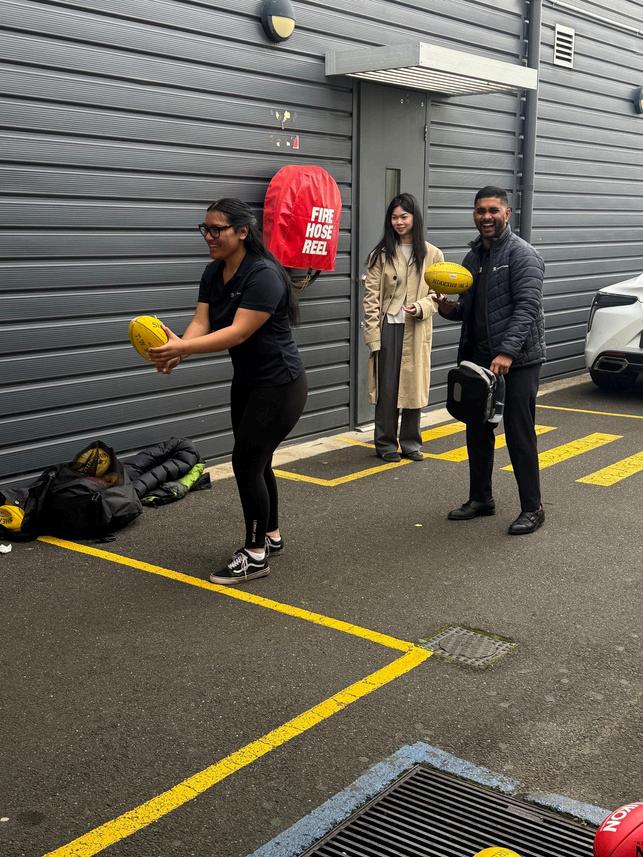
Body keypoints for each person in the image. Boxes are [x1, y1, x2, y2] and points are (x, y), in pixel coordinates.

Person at [149, 198, 307, 583]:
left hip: (280, 384)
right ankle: (270, 535)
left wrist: (183, 347)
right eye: (204, 228)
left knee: (246, 463)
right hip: (248, 382)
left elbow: (238, 332)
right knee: (258, 461)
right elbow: (202, 322)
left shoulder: (263, 275)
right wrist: (179, 349)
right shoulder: (213, 272)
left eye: (216, 229)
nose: (208, 236)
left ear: (242, 231)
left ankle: (255, 555)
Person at [437, 185, 546, 535]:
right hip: (480, 359)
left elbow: (527, 308)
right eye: (480, 211)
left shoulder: (522, 255)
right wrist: (448, 308)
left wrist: (507, 351)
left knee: (518, 432)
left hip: (519, 360)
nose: (486, 216)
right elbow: (468, 310)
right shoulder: (473, 258)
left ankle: (533, 507)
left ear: (506, 213)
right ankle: (481, 498)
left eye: (493, 210)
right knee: (478, 430)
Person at [362, 193, 444, 462]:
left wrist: (420, 307)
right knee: (387, 389)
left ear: (414, 218)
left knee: (413, 386)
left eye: (404, 216)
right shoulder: (381, 254)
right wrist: (373, 335)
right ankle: (385, 443)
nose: (398, 222)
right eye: (394, 217)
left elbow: (437, 294)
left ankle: (411, 443)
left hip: (417, 329)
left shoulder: (432, 254)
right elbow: (371, 297)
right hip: (389, 327)